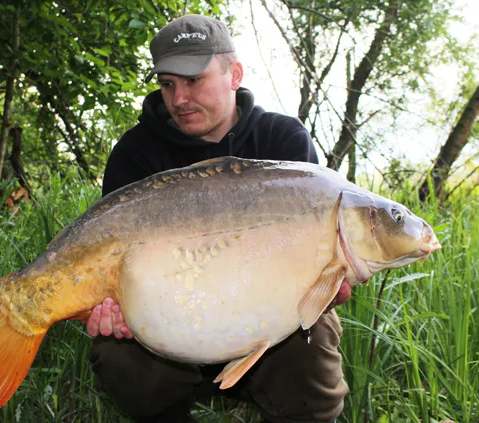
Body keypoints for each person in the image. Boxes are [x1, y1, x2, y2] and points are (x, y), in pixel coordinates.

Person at [86, 14, 351, 423]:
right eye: (167, 83)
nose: (179, 98)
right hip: (171, 327)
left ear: (235, 74)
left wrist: (328, 282)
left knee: (311, 330)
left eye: (194, 80)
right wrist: (113, 305)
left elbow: (318, 263)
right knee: (116, 351)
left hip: (268, 321)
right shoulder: (135, 153)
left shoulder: (283, 141)